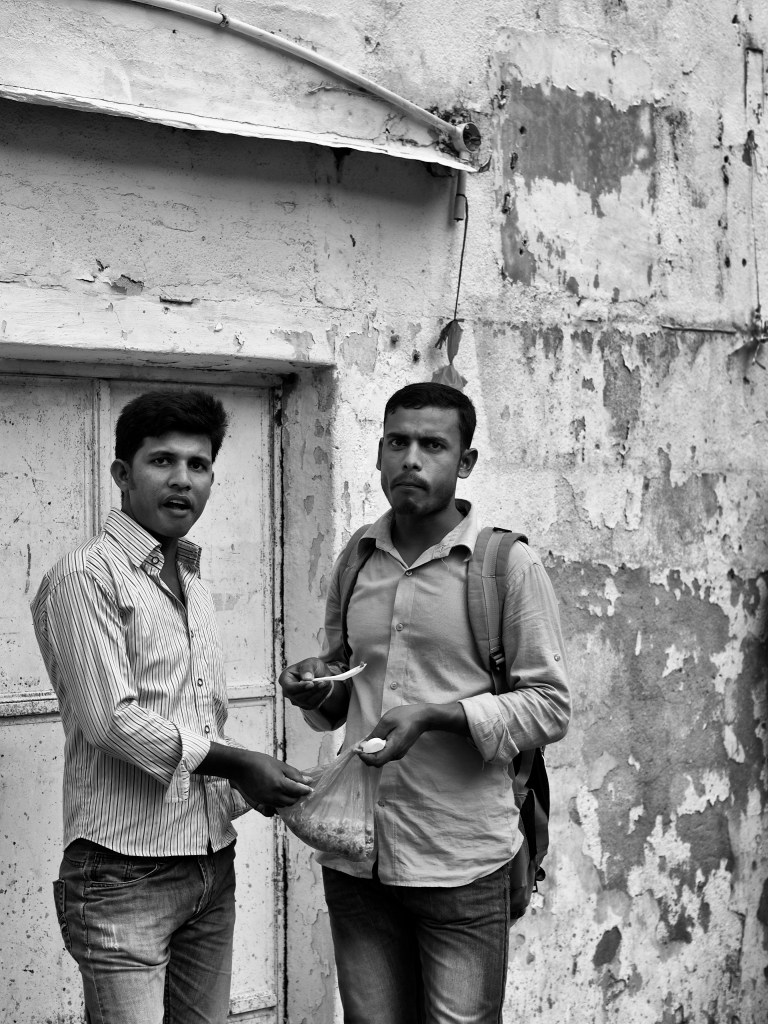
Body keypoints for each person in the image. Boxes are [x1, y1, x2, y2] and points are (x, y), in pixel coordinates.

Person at [279, 382, 571, 1024]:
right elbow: (341, 690)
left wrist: (439, 715)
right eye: (398, 442)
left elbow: (550, 707)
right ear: (379, 453)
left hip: (460, 859)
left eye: (432, 445)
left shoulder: (504, 565)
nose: (412, 458)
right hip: (357, 852)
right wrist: (312, 684)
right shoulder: (356, 558)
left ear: (464, 462)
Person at [31, 388, 312, 1024]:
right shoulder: (88, 574)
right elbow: (112, 723)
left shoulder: (192, 584)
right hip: (121, 876)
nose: (182, 480)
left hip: (210, 868)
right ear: (123, 475)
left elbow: (199, 725)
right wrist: (240, 761)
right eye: (162, 461)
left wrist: (261, 790)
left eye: (199, 464)